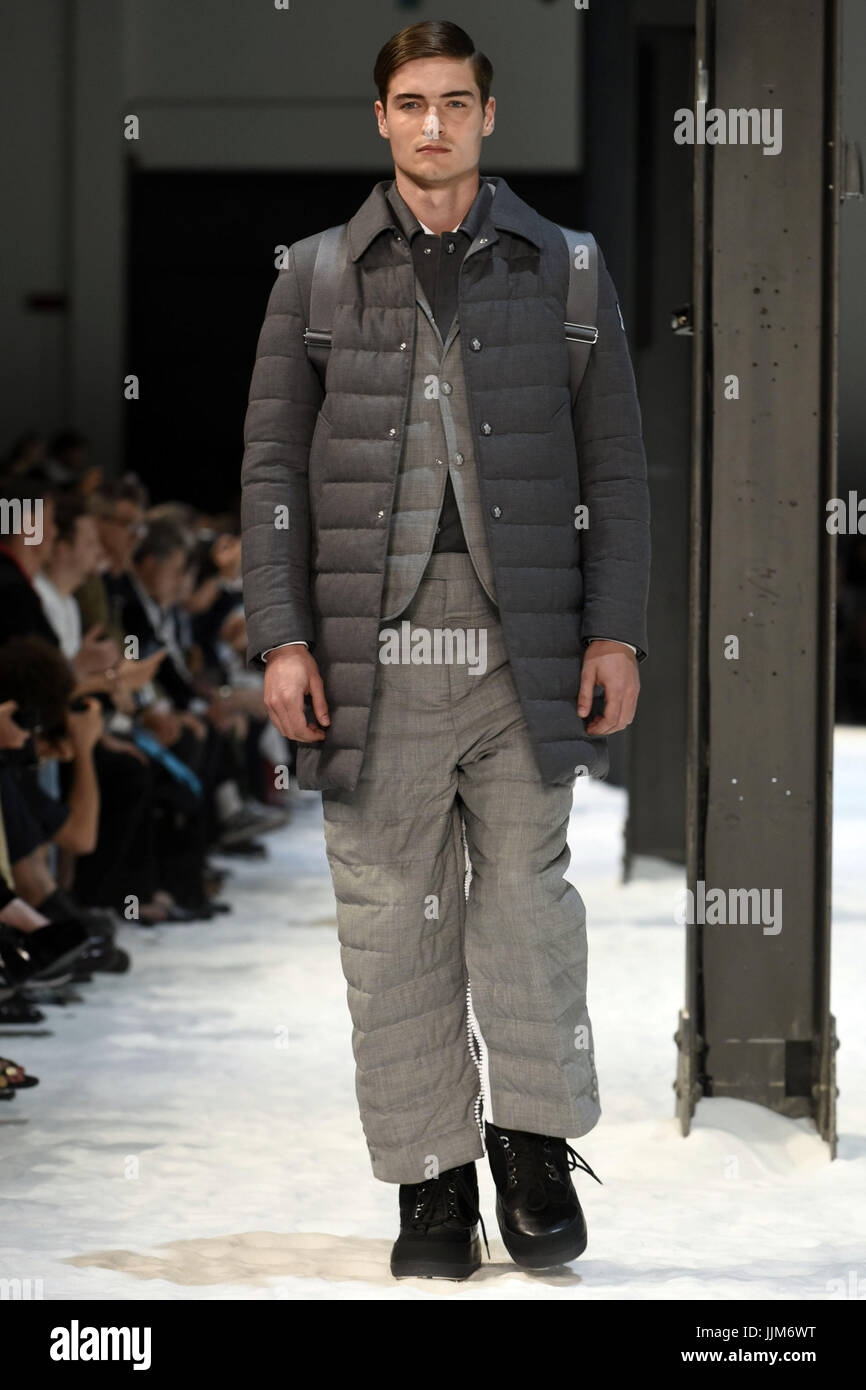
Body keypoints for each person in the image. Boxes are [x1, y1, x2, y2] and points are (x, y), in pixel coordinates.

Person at [240, 19, 651, 1280]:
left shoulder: (565, 268)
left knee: (527, 912)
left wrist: (616, 627)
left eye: (454, 102)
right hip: (368, 653)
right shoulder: (313, 276)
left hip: (519, 645)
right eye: (410, 101)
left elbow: (615, 468)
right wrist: (281, 635)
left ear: (487, 115)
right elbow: (270, 471)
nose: (432, 123)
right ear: (380, 118)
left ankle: (529, 1148)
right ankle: (429, 1184)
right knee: (389, 927)